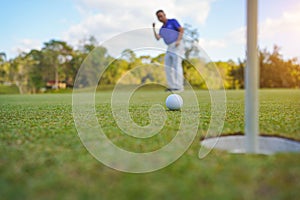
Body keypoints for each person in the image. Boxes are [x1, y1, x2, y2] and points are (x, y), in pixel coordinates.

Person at [152, 10, 184, 92]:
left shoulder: (172, 21)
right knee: (168, 66)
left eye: (161, 16)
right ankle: (172, 86)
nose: (160, 18)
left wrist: (178, 40)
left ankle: (179, 86)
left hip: (177, 44)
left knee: (177, 65)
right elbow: (158, 38)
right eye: (158, 17)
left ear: (164, 15)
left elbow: (181, 30)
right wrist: (153, 29)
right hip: (169, 47)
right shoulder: (162, 29)